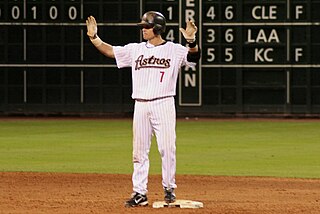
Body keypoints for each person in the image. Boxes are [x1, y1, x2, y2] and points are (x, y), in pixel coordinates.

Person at [86, 11, 200, 207]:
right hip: (140, 104)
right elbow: (110, 51)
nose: (143, 30)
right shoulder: (136, 49)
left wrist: (191, 41)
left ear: (157, 29)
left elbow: (194, 59)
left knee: (167, 148)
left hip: (163, 103)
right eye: (143, 27)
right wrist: (94, 38)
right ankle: (139, 193)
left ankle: (169, 189)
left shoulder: (174, 49)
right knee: (139, 152)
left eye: (146, 27)